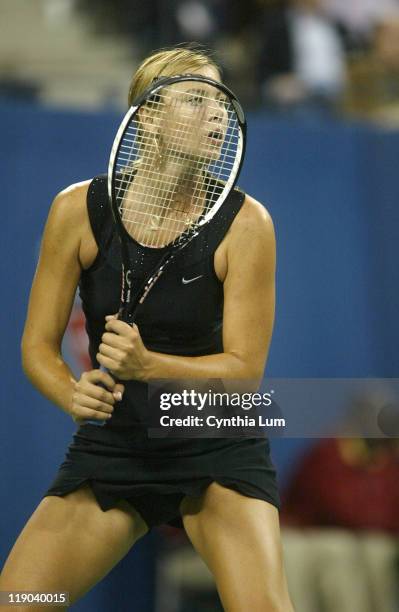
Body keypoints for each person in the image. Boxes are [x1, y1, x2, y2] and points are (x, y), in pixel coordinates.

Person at [0, 46, 294, 612]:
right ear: (150, 118)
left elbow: (244, 372)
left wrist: (149, 366)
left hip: (215, 442)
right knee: (20, 602)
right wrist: (72, 392)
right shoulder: (76, 211)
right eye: (196, 100)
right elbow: (37, 347)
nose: (218, 115)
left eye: (221, 103)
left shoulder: (248, 223)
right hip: (118, 444)